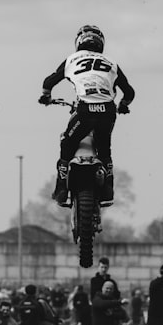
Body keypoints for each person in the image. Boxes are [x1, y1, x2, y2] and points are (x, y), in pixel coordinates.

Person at [38, 24, 136, 207]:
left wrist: (46, 96)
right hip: (107, 111)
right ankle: (108, 188)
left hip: (85, 111)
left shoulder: (72, 59)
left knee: (67, 143)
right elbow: (129, 92)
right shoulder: (111, 63)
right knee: (104, 149)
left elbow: (49, 81)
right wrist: (123, 105)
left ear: (78, 42)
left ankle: (61, 188)